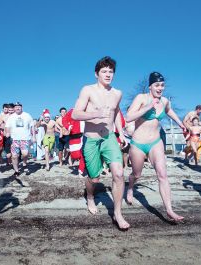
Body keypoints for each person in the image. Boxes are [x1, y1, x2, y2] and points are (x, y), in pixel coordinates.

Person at [72, 56, 129, 230]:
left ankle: (118, 214)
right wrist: (95, 115)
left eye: (111, 71)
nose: (108, 74)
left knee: (119, 174)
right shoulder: (87, 90)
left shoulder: (117, 93)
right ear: (96, 74)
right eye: (104, 71)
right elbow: (75, 114)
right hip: (91, 139)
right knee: (94, 178)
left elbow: (117, 112)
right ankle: (90, 197)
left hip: (109, 137)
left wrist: (121, 133)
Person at [126, 71, 185, 222]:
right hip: (138, 143)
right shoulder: (141, 98)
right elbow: (129, 117)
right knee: (137, 174)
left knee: (163, 175)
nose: (160, 88)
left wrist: (181, 123)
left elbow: (169, 110)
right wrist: (147, 108)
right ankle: (131, 186)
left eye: (162, 85)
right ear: (150, 86)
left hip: (155, 142)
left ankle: (169, 210)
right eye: (157, 85)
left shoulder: (164, 101)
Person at [5, 102, 35, 176]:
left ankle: (24, 164)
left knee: (25, 153)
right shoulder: (11, 117)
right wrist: (7, 132)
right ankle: (16, 170)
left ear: (22, 107)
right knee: (14, 156)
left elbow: (32, 126)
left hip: (25, 138)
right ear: (14, 108)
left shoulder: (27, 115)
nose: (18, 108)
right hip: (14, 139)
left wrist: (33, 136)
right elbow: (7, 126)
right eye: (16, 107)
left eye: (19, 107)